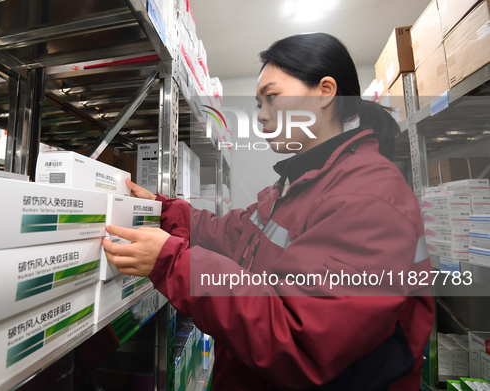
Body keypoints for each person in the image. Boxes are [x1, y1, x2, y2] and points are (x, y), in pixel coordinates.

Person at [102, 33, 434, 390]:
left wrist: (171, 262)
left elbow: (298, 336)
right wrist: (162, 210)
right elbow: (232, 234)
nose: (260, 117)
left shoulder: (370, 195)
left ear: (325, 91)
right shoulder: (301, 182)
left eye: (270, 98)